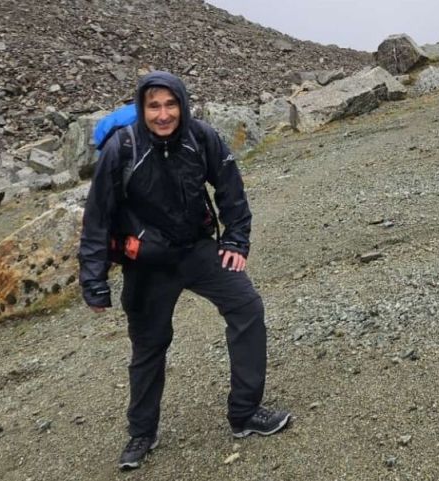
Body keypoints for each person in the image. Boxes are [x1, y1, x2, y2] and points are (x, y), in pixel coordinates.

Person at [78, 71, 290, 470]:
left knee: (246, 308)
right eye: (154, 106)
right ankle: (142, 432)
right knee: (149, 347)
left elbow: (230, 189)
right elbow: (97, 218)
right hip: (145, 264)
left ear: (183, 104)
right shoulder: (121, 148)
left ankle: (244, 413)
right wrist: (93, 280)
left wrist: (235, 241)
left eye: (170, 104)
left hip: (197, 249)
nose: (163, 115)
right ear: (142, 109)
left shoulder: (201, 137)